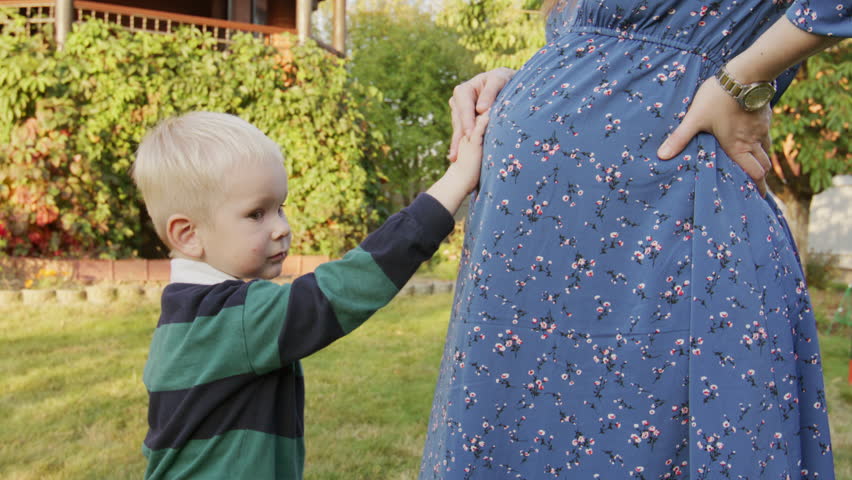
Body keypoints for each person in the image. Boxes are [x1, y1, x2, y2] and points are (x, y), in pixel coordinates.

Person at [421, 1, 850, 479]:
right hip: (526, 240)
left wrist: (740, 79)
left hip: (669, 211)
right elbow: (598, 41)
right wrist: (517, 78)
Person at [131, 110, 488, 479]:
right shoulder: (229, 318)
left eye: (279, 208)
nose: (281, 228)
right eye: (256, 214)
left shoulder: (190, 313)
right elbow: (343, 289)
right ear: (189, 234)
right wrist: (456, 181)